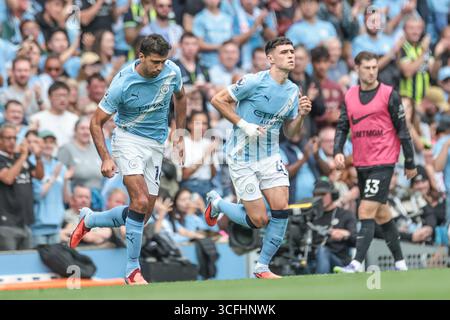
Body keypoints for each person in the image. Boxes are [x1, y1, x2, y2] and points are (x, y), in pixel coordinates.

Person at [69, 34, 186, 285]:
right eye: (155, 61)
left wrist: (180, 133)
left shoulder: (171, 71)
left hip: (156, 145)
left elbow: (182, 97)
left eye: (163, 61)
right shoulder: (123, 82)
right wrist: (106, 158)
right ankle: (132, 270)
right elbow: (96, 122)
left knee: (143, 216)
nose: (159, 67)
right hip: (127, 140)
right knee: (140, 201)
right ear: (141, 56)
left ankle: (90, 219)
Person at [204, 37, 312, 279]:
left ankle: (262, 267)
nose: (291, 55)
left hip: (270, 155)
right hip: (242, 156)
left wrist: (302, 116)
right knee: (259, 219)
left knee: (281, 207)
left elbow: (291, 133)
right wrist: (244, 124)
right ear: (271, 58)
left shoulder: (293, 91)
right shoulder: (254, 81)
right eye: (284, 52)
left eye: (292, 51)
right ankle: (218, 204)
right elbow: (217, 100)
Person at [333, 51, 417, 273]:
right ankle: (400, 263)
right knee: (381, 213)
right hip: (362, 162)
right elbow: (342, 126)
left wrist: (410, 161)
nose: (371, 71)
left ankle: (356, 263)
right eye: (367, 67)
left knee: (366, 209)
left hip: (384, 161)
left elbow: (403, 130)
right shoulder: (350, 95)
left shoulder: (389, 94)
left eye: (374, 67)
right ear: (357, 68)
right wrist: (337, 150)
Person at [0, 124, 44, 251]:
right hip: (6, 224)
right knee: (8, 266)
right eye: (8, 138)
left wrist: (38, 157)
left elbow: (39, 175)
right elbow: (8, 178)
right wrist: (24, 156)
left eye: (14, 138)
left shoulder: (18, 158)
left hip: (25, 222)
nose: (12, 141)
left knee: (26, 264)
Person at [310, 179, 357, 274]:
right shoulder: (310, 216)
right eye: (317, 195)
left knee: (323, 251)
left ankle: (320, 285)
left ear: (333, 195)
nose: (320, 198)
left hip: (339, 262)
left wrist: (346, 234)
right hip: (312, 260)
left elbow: (357, 241)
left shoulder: (345, 215)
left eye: (323, 194)